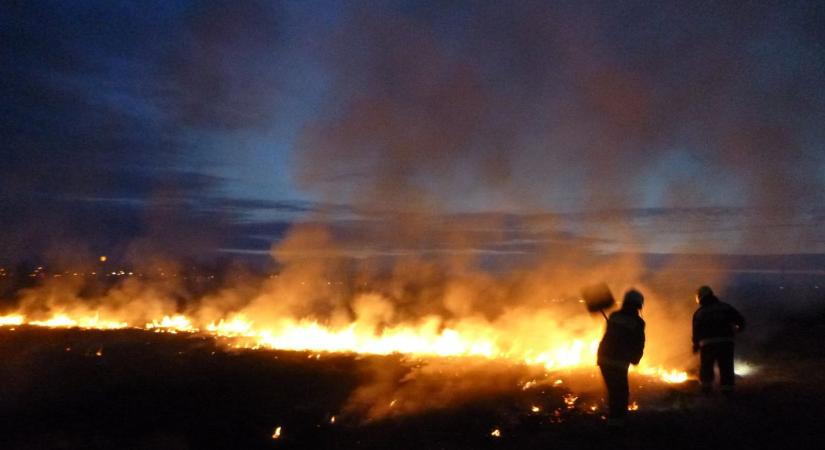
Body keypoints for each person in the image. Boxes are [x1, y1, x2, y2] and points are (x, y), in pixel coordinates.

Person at [597, 289, 645, 427]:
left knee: (614, 391)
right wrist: (636, 358)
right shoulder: (638, 322)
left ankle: (615, 421)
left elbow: (610, 334)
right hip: (619, 361)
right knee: (621, 393)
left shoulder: (613, 316)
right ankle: (618, 424)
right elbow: (639, 343)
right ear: (639, 305)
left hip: (603, 358)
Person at [692, 285, 745, 395]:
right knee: (726, 367)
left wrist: (696, 345)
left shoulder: (699, 313)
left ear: (699, 298)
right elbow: (740, 321)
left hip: (707, 344)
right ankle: (728, 394)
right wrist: (738, 330)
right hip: (726, 342)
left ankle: (706, 393)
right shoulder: (725, 307)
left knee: (706, 368)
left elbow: (696, 332)